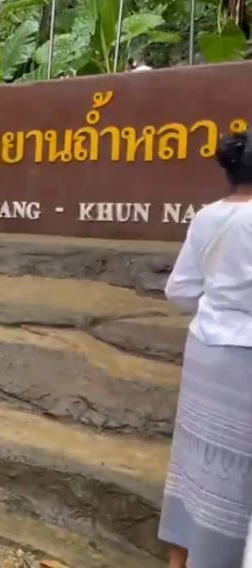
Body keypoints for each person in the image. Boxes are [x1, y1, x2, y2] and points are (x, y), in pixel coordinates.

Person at [158, 131, 252, 568]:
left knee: (196, 462)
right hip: (244, 358)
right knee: (236, 475)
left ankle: (181, 557)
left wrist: (220, 301)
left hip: (205, 350)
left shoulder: (207, 216)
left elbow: (179, 290)